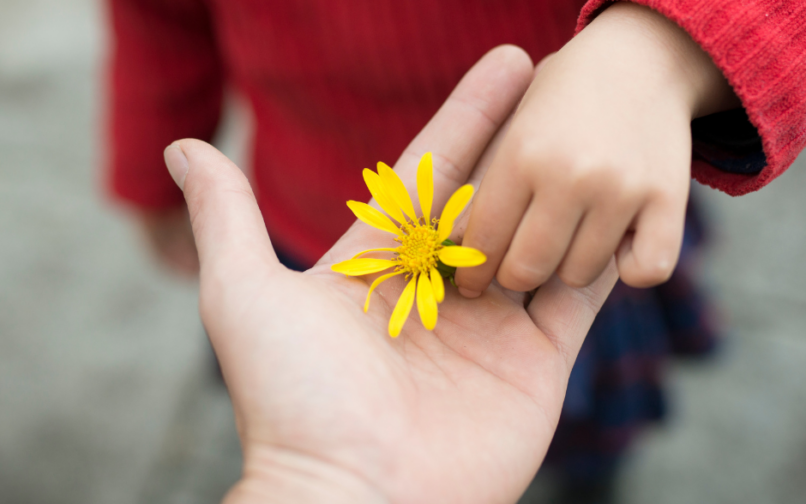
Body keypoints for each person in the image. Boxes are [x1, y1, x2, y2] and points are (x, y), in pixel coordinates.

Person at [105, 0, 806, 502]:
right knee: (314, 384)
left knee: (582, 406)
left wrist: (660, 51)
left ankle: (592, 469)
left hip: (565, 228)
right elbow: (157, 19)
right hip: (323, 239)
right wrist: (322, 481)